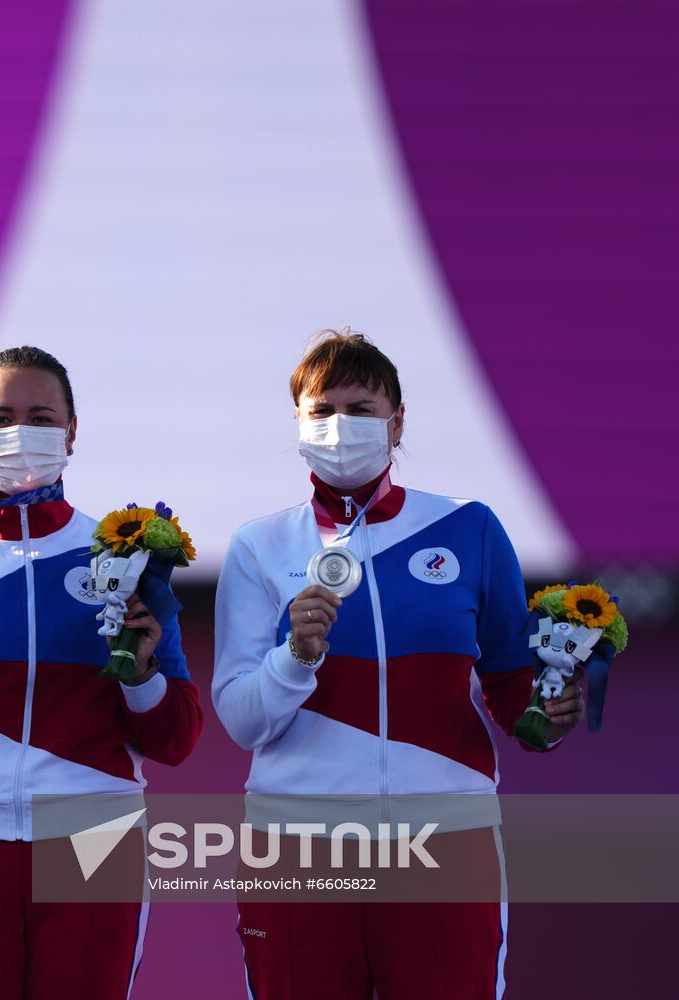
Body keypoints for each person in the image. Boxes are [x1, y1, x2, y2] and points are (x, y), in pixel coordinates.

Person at [213, 331, 584, 1000]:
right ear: (298, 424)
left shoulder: (467, 529)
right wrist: (294, 658)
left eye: (360, 409)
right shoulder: (259, 546)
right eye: (321, 410)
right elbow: (242, 722)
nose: (340, 427)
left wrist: (549, 715)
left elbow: (510, 687)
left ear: (398, 422)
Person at [0, 346, 203, 999]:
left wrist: (140, 677)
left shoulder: (124, 555)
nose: (18, 433)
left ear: (72, 433)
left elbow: (177, 740)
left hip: (92, 838)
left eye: (39, 416)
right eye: (0, 418)